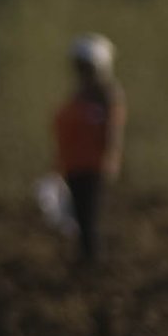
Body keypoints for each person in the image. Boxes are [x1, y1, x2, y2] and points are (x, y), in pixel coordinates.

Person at [47, 34, 124, 262]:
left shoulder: (107, 97)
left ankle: (91, 262)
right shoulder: (78, 97)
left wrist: (110, 159)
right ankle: (85, 258)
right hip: (72, 164)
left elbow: (112, 133)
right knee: (78, 217)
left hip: (92, 166)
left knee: (88, 217)